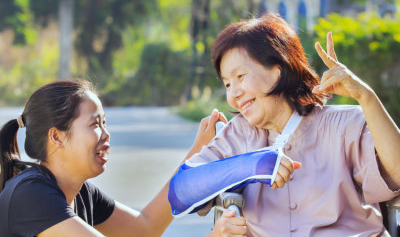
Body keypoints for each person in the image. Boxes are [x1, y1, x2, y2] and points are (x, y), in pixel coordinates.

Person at [187, 13, 400, 236]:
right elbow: (181, 191)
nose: (234, 94)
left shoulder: (345, 125)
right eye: (228, 84)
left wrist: (367, 97)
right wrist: (251, 166)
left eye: (240, 76)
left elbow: (397, 175)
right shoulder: (238, 135)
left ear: (278, 69)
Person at [0, 79, 230, 237]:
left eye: (104, 122)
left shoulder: (81, 193)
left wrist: (197, 152)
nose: (106, 134)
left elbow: (144, 229)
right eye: (94, 124)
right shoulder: (31, 194)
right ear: (56, 136)